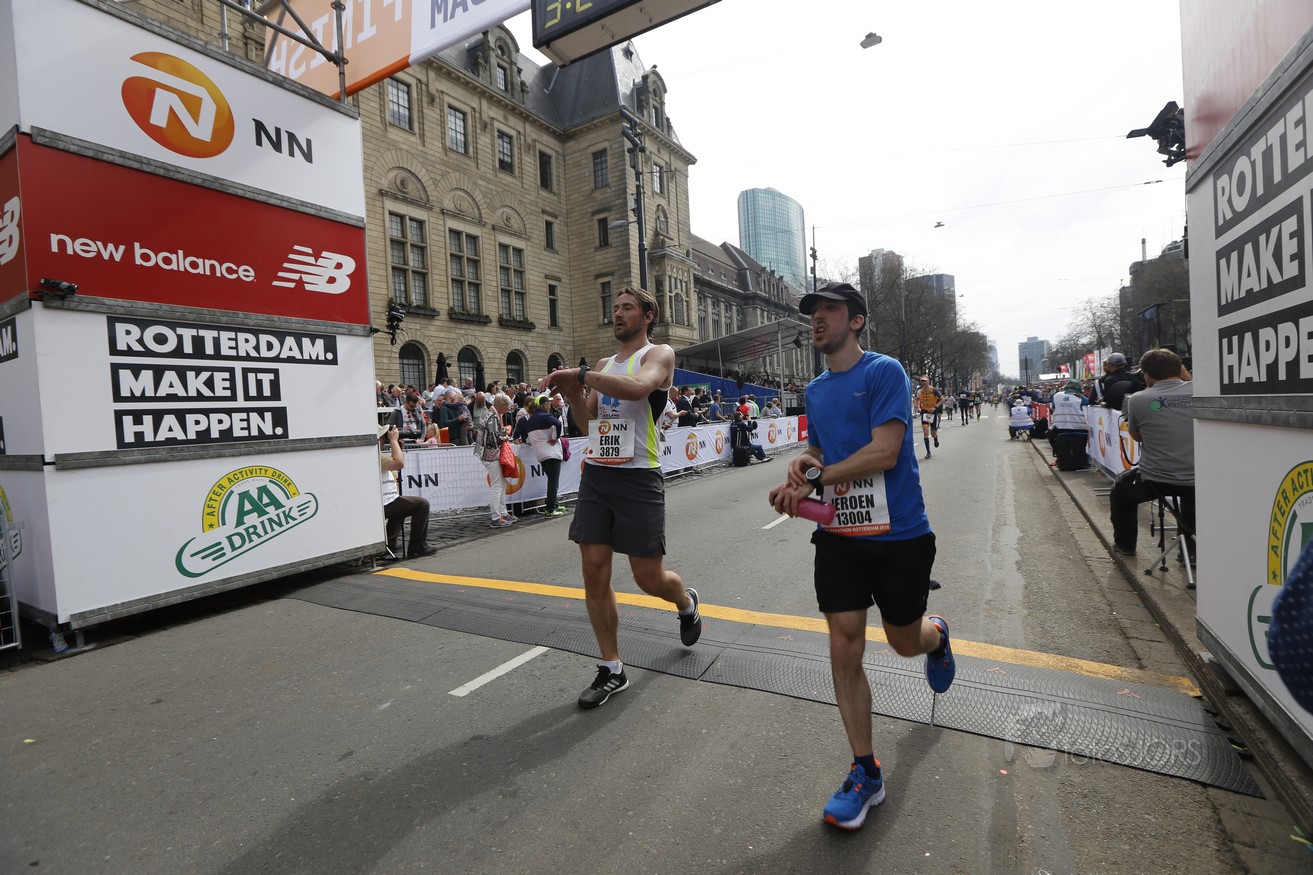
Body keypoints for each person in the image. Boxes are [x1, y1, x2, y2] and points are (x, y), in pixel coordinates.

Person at [767, 281, 953, 832]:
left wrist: (820, 476)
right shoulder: (817, 389)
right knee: (844, 643)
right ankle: (866, 772)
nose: (818, 318)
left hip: (900, 536)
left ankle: (937, 636)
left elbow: (885, 450)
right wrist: (803, 467)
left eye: (830, 310)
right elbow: (823, 449)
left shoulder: (884, 372)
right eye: (813, 312)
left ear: (856, 321)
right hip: (841, 536)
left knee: (903, 641)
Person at [540, 286, 702, 709]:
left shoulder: (658, 354)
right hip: (599, 475)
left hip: (639, 477)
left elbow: (636, 389)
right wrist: (573, 395)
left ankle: (685, 602)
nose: (617, 314)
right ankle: (612, 668)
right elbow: (588, 424)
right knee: (594, 569)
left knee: (649, 578)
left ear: (647, 316)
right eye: (614, 308)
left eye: (627, 308)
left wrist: (580, 377)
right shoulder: (603, 365)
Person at [1109, 348, 1194, 559]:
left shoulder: (1138, 399)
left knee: (1120, 490)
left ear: (1146, 374)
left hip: (1156, 480)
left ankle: (1126, 545)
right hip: (1199, 479)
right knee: (1192, 497)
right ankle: (1192, 552)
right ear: (1180, 369)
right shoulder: (1200, 391)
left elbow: (1137, 437)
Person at [378, 424, 437, 559]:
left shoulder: (374, 455)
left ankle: (389, 544)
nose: (384, 440)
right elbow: (399, 464)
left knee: (401, 508)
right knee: (422, 505)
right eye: (383, 437)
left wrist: (397, 445)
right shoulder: (376, 456)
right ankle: (417, 547)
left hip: (385, 500)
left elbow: (394, 462)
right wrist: (393, 441)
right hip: (384, 502)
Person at [513, 394, 566, 517]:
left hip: (540, 454)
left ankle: (554, 504)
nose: (549, 405)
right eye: (548, 403)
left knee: (552, 481)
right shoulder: (545, 416)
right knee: (553, 482)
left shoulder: (530, 420)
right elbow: (558, 424)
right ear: (544, 405)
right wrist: (555, 438)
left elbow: (524, 436)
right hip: (551, 452)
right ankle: (550, 508)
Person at [473, 394, 517, 528]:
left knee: (501, 484)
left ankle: (502, 513)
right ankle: (496, 517)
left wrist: (502, 432)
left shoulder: (489, 413)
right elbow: (493, 439)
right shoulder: (492, 417)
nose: (508, 409)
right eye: (507, 406)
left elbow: (492, 435)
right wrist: (505, 435)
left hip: (486, 453)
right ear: (501, 406)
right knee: (497, 486)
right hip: (490, 455)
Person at [913, 376, 942, 460]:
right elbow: (917, 400)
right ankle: (928, 452)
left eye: (925, 381)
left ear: (928, 381)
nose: (923, 382)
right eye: (922, 381)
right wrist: (918, 408)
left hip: (932, 413)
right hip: (924, 412)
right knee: (925, 432)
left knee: (933, 433)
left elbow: (942, 399)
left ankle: (935, 438)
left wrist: (935, 407)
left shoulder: (934, 390)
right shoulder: (919, 391)